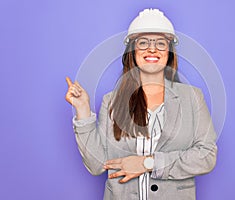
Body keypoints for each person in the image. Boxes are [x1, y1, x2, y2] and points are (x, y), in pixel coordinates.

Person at [65, 8, 217, 200]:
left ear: (169, 52)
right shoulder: (111, 101)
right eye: (143, 42)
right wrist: (83, 110)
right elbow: (97, 165)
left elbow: (207, 156)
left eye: (160, 43)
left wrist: (148, 163)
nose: (152, 49)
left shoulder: (193, 97)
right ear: (132, 51)